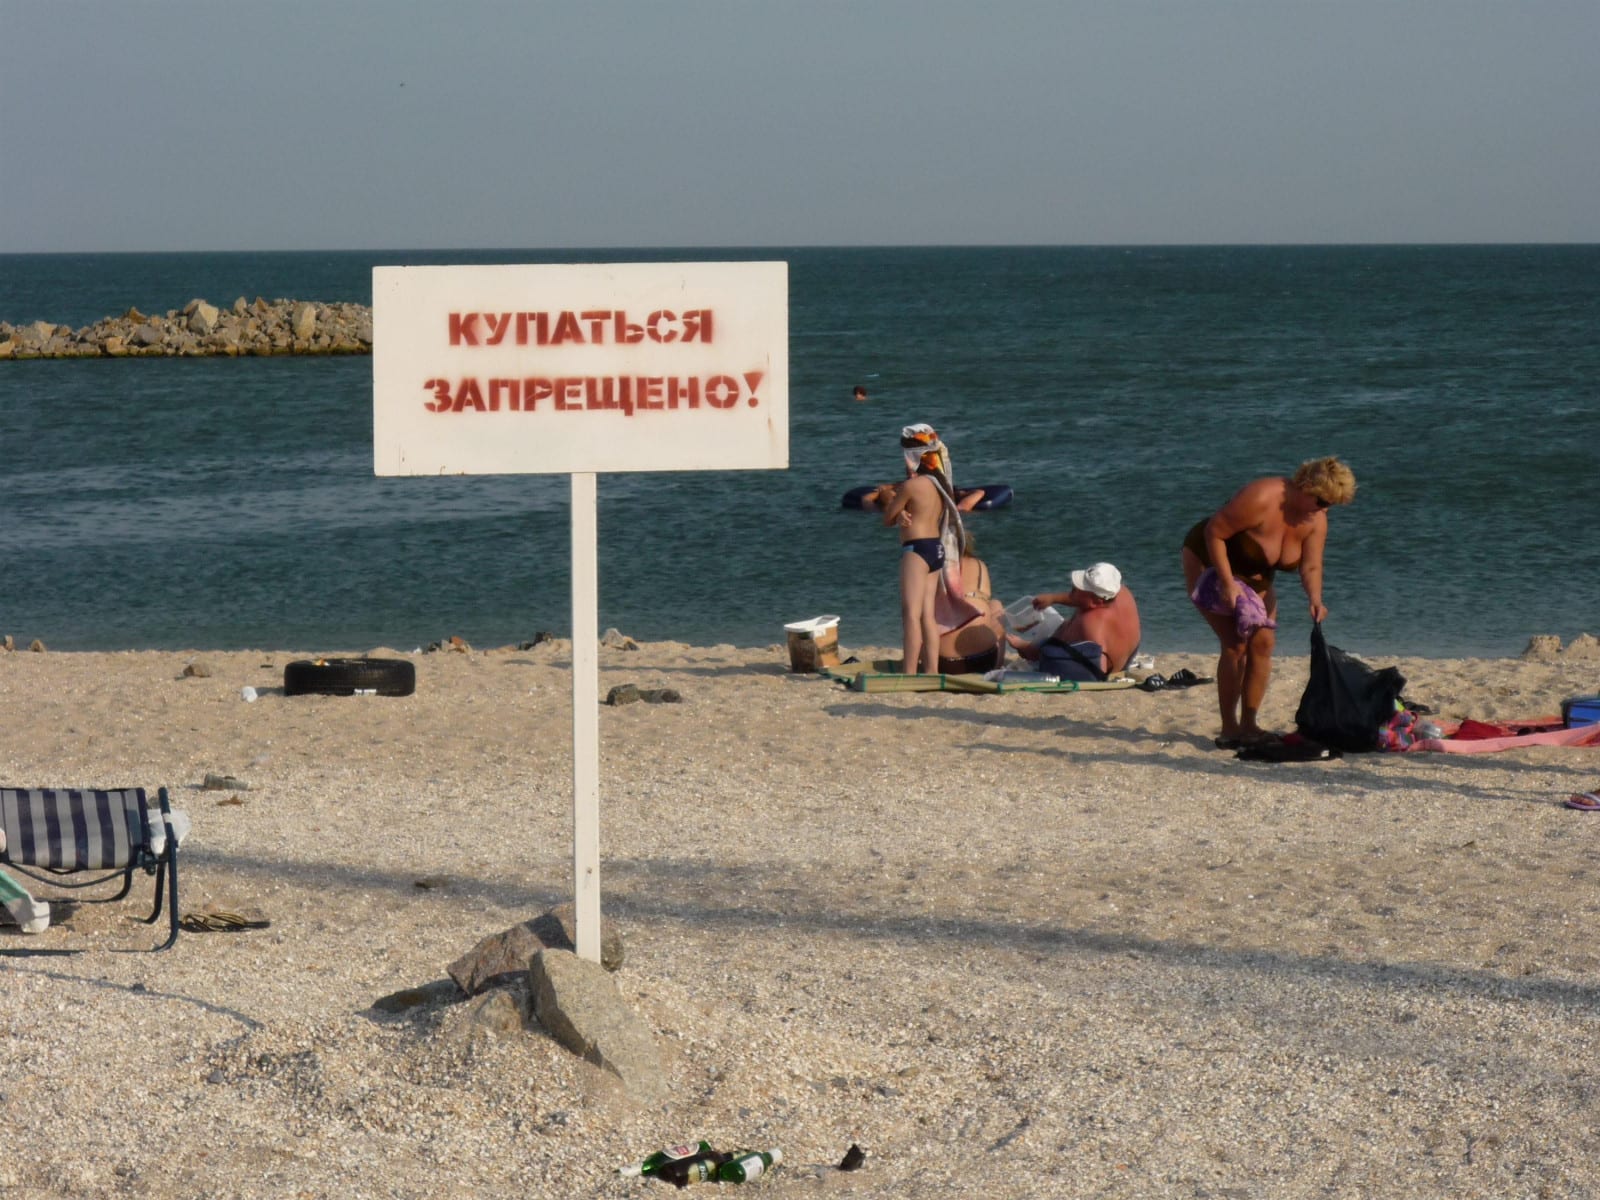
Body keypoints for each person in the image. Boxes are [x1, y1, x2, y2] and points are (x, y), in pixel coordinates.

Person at [1181, 456, 1357, 749]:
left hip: (1255, 575)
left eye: (1332, 504)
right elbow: (1215, 531)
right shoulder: (1262, 496)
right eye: (1322, 500)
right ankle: (1230, 728)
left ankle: (1250, 725)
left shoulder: (1316, 520)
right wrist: (1226, 583)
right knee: (1236, 644)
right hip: (1211, 561)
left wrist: (1315, 598)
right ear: (1305, 486)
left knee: (1263, 643)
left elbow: (1311, 566)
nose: (1326, 509)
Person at [881, 424, 967, 674]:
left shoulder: (911, 486)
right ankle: (931, 671)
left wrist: (897, 515)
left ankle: (909, 671)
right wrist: (901, 513)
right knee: (928, 616)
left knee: (910, 614)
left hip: (916, 549)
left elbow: (887, 518)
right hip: (935, 549)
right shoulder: (940, 486)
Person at [1005, 562, 1141, 681]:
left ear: (1096, 602)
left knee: (1061, 635)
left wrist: (1027, 649)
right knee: (1070, 620)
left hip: (1103, 662)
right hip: (1125, 658)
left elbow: (1099, 670)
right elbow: (1084, 599)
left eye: (1081, 587)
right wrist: (1054, 598)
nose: (1075, 587)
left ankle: (1027, 648)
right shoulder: (1121, 592)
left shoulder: (1092, 624)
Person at [936, 534, 1006, 674]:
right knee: (996, 606)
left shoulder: (932, 567)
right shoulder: (979, 565)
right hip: (985, 659)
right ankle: (998, 667)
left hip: (944, 663)